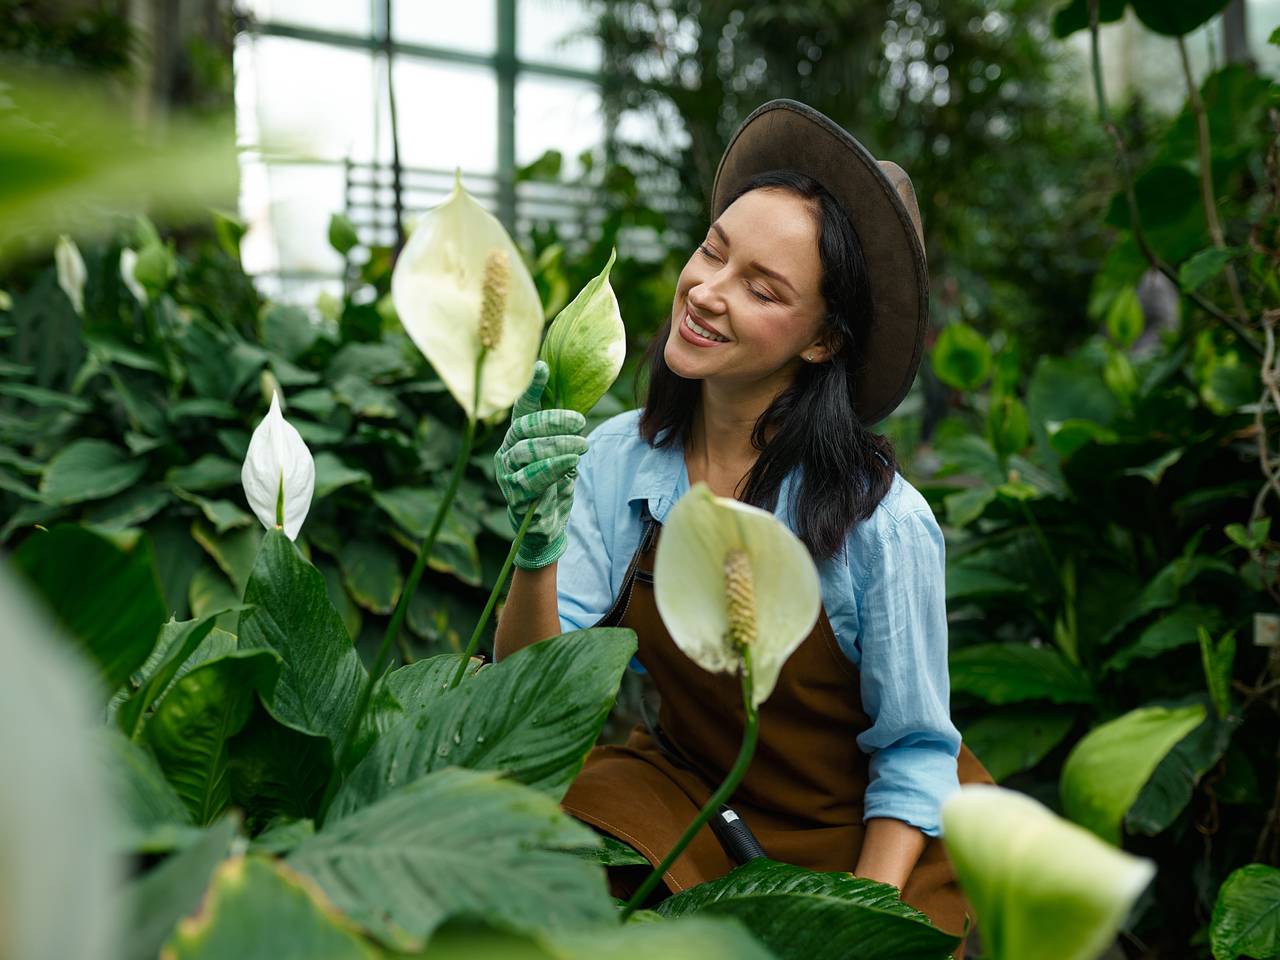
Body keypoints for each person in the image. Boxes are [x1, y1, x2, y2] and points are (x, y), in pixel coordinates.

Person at [492, 99, 993, 954]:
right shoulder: (615, 460)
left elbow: (913, 759)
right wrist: (535, 550)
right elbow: (530, 693)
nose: (707, 293)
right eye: (712, 252)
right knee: (532, 844)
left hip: (861, 839)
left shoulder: (885, 525)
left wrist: (848, 927)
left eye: (762, 289)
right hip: (694, 799)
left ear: (823, 341)